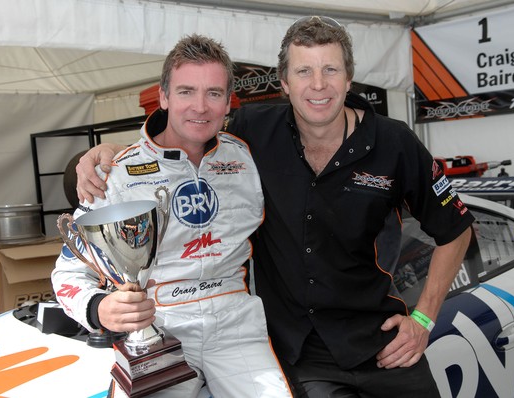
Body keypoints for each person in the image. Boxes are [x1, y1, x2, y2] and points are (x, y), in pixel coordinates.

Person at [75, 17, 474, 398]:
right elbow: (190, 131)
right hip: (298, 353)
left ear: (349, 78)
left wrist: (423, 319)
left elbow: (455, 229)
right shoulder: (252, 132)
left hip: (381, 341)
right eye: (304, 72)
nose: (318, 85)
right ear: (284, 82)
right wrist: (114, 156)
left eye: (331, 70)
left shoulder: (395, 143)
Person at [52, 34, 292, 398]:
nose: (200, 106)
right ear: (163, 97)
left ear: (229, 102)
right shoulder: (116, 174)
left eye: (213, 93)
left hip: (236, 329)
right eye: (185, 92)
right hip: (159, 327)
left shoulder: (247, 158)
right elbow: (69, 272)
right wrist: (99, 308)